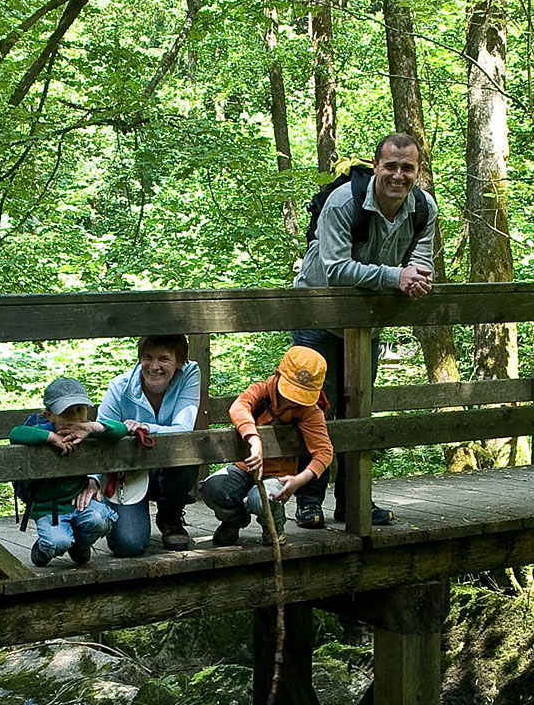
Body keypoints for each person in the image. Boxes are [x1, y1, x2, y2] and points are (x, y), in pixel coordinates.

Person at [291, 132, 437, 529]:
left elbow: (422, 261)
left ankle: (353, 500)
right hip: (318, 317)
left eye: (407, 168)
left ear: (417, 170)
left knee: (357, 410)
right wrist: (396, 276)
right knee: (315, 410)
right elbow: (336, 270)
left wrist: (419, 279)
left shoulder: (423, 208)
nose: (398, 175)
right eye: (390, 166)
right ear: (376, 167)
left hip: (365, 325)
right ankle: (308, 501)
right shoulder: (343, 204)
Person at [198, 346, 333, 547]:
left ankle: (273, 527)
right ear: (279, 375)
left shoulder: (309, 411)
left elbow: (324, 451)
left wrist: (299, 480)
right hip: (245, 467)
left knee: (261, 500)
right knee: (212, 487)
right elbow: (238, 407)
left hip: (278, 475)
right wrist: (254, 439)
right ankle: (233, 521)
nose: (292, 400)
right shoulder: (261, 391)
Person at [83, 334, 203, 554]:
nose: (154, 366)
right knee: (128, 544)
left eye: (164, 359)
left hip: (168, 471)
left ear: (179, 362)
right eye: (148, 357)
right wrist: (92, 479)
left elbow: (184, 429)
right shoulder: (120, 387)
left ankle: (170, 514)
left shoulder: (189, 374)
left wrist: (146, 428)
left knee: (187, 454)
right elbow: (100, 435)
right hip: (127, 474)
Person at [9, 378, 122, 567]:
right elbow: (16, 433)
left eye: (80, 410)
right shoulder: (43, 430)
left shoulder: (88, 430)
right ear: (50, 416)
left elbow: (121, 429)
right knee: (58, 542)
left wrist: (94, 427)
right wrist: (51, 437)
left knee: (100, 519)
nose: (75, 417)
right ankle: (44, 549)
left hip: (78, 502)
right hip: (49, 508)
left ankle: (79, 546)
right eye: (66, 412)